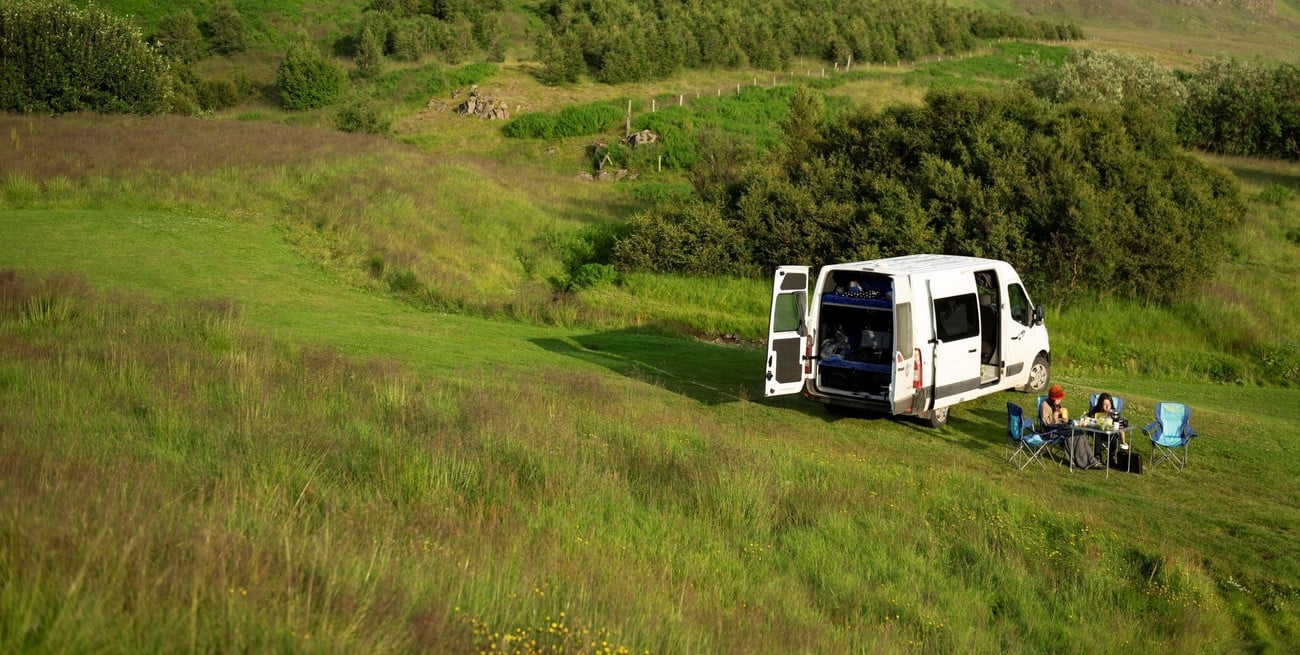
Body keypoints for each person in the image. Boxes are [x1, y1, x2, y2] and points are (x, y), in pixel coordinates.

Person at [1041, 384, 1103, 469]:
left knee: (1080, 434)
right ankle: (1083, 462)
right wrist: (1055, 414)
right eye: (1058, 399)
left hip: (1061, 427)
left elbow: (1064, 421)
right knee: (1074, 435)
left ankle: (1091, 461)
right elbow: (1046, 422)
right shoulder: (1045, 405)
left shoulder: (1058, 405)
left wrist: (1065, 417)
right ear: (1052, 398)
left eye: (1060, 399)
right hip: (1051, 431)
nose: (1059, 401)